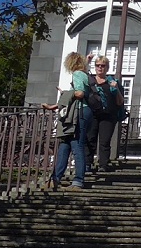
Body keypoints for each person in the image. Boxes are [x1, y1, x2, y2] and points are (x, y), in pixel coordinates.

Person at [50, 51, 91, 190]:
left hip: (79, 112)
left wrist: (66, 94)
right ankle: (55, 178)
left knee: (76, 144)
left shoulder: (78, 74)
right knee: (65, 144)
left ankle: (78, 180)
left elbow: (79, 93)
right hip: (81, 112)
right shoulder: (84, 74)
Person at [88, 54, 128, 176]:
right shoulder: (90, 81)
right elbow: (79, 74)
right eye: (97, 65)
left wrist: (116, 90)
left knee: (105, 141)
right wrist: (87, 61)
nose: (100, 68)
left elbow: (120, 102)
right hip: (92, 115)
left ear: (107, 67)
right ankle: (87, 164)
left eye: (103, 65)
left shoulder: (113, 82)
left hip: (108, 116)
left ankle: (103, 165)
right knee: (90, 139)